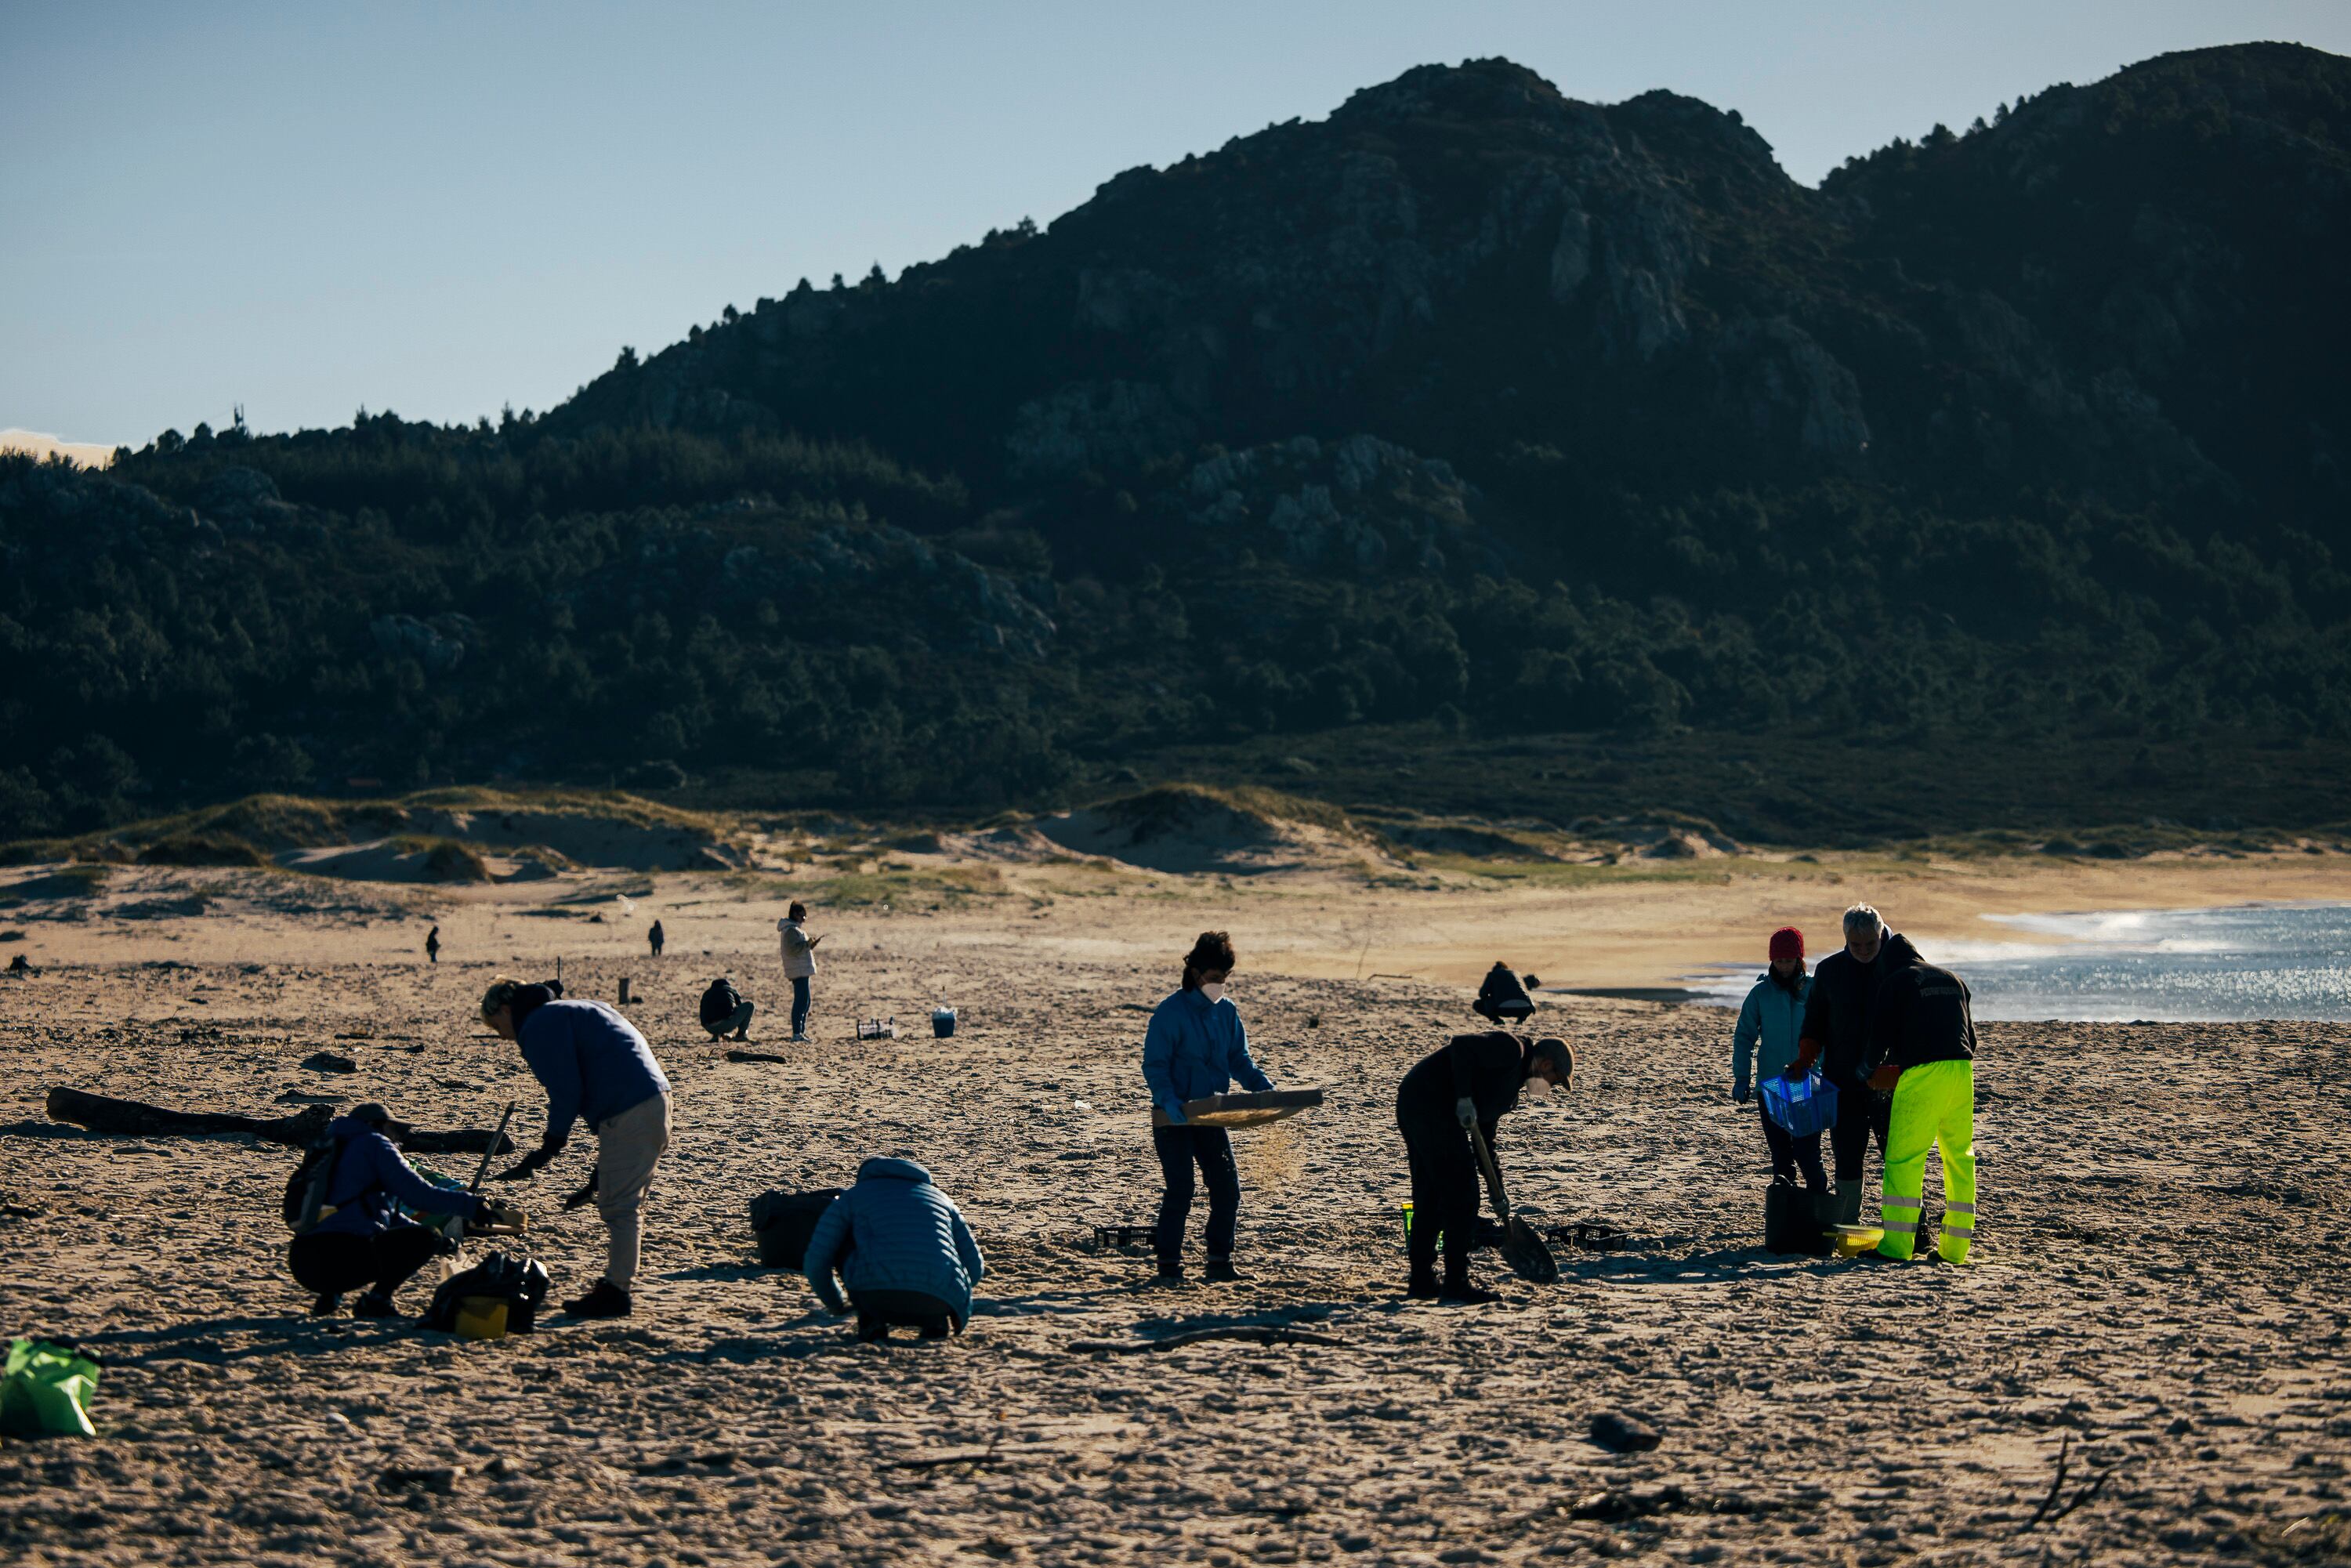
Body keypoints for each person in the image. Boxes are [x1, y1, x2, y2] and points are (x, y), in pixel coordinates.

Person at [481, 976, 672, 1319]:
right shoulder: (579, 1008)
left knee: (621, 1209)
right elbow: (604, 1071)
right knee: (621, 1201)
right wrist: (600, 1170)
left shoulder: (539, 1025)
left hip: (630, 1110)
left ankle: (616, 1292)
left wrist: (549, 1147)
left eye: (497, 1027)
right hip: (655, 1101)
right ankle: (615, 1288)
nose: (504, 1037)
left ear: (506, 1009)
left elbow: (567, 1090)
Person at [288, 1101, 527, 1318]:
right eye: (394, 1130)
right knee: (426, 1236)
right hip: (342, 1257)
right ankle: (378, 1299)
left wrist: (442, 1240)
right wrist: (471, 1206)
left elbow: (381, 1215)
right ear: (376, 1125)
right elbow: (419, 1196)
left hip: (303, 1261)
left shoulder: (328, 1148)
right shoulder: (374, 1144)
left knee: (364, 1226)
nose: (398, 1138)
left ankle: (332, 1294)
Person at [1395, 1031, 1575, 1303]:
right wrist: (1464, 1097)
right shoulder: (1511, 1049)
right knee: (1463, 1198)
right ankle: (1456, 1284)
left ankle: (1422, 1282)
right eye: (1555, 1081)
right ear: (1547, 1065)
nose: (1550, 1088)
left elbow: (1485, 1142)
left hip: (1424, 1107)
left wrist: (1498, 1191)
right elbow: (1462, 1046)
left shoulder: (1507, 1091)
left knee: (1431, 1196)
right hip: (1425, 1102)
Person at [1142, 930, 1276, 1285]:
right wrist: (1168, 1100)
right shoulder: (1170, 1013)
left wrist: (1262, 1086)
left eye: (1226, 978)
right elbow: (1155, 1065)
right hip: (1172, 1118)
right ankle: (1169, 1267)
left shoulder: (1227, 1013)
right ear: (1197, 974)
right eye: (1216, 978)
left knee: (1227, 1188)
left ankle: (1219, 1262)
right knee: (1181, 1190)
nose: (1221, 985)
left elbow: (1238, 1059)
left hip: (1211, 1114)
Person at [1792, 904, 1919, 1226]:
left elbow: (1919, 1022)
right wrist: (1806, 1056)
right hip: (1843, 1080)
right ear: (1845, 939)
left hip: (1892, 1082)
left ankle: (1911, 1224)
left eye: (1870, 945)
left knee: (1899, 1157)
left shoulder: (1901, 970)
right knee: (1847, 1157)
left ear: (1882, 935)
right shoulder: (1830, 970)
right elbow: (1815, 1020)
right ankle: (1848, 1224)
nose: (1863, 951)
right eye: (1855, 945)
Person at [1866, 948, 1980, 1262]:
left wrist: (1866, 1071)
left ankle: (1896, 1247)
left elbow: (1878, 1039)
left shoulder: (1895, 981)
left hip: (1922, 1075)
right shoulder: (1953, 980)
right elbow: (1971, 1040)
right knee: (1959, 1158)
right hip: (1962, 1072)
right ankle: (1955, 1250)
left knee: (1904, 1159)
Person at [802, 1156, 986, 1342]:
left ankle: (870, 1320)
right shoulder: (942, 1200)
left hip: (875, 1297)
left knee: (843, 1241)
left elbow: (817, 1260)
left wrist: (835, 1304)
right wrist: (949, 1293)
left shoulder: (853, 1196)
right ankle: (935, 1321)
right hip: (939, 1301)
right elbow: (974, 1266)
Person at [1733, 926, 1827, 1217]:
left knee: (1808, 1153)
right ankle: (1785, 1213)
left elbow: (1832, 1033)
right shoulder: (1760, 994)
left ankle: (1818, 1207)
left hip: (1809, 1083)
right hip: (1771, 1085)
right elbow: (1744, 1036)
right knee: (1781, 1155)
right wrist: (1741, 1077)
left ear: (1800, 959)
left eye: (1790, 960)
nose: (1785, 966)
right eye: (1780, 961)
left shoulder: (1815, 989)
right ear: (1772, 960)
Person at [778, 903, 823, 1042]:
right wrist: (808, 944)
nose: (804, 919)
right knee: (801, 1002)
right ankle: (797, 1033)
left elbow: (798, 949)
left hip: (801, 969)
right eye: (803, 915)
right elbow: (792, 950)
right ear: (796, 914)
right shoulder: (791, 930)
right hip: (798, 970)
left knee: (806, 1002)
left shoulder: (794, 929)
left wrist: (810, 945)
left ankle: (801, 1032)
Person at [699, 976, 754, 1041]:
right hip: (726, 1024)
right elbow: (740, 1007)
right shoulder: (730, 990)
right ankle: (741, 1035)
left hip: (709, 1027)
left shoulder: (707, 993)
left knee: (715, 1013)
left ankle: (716, 1036)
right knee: (750, 1005)